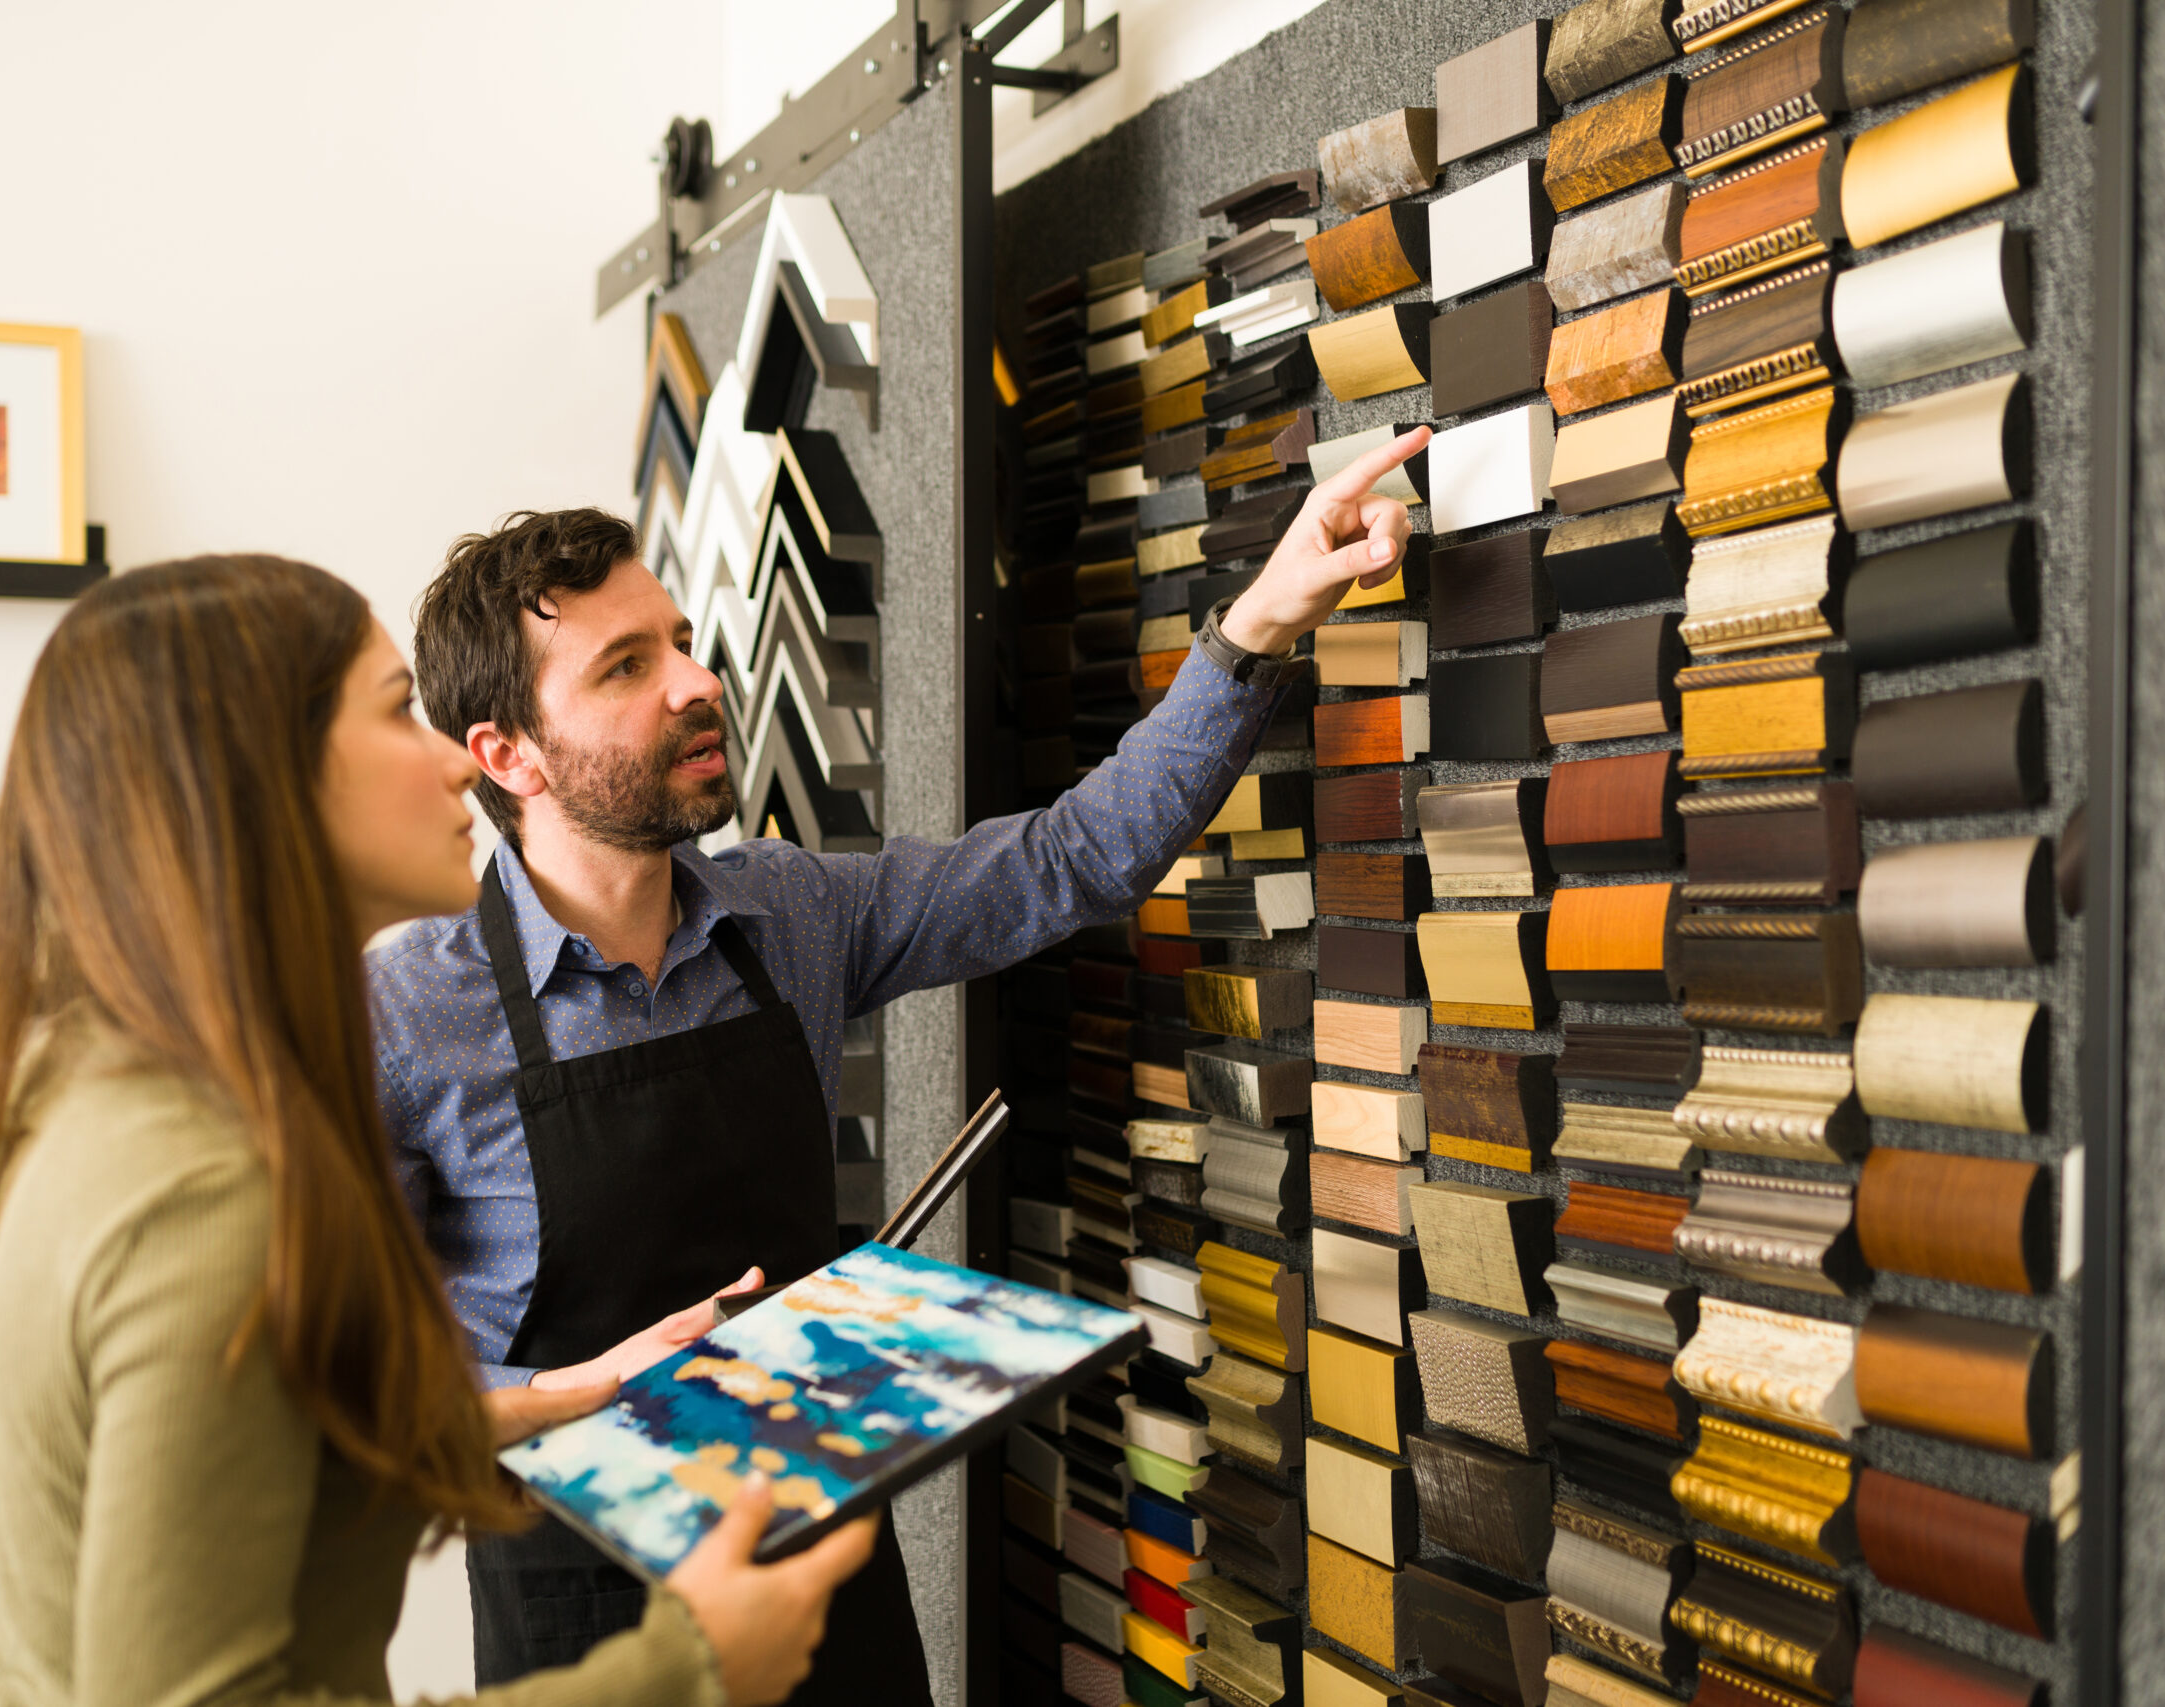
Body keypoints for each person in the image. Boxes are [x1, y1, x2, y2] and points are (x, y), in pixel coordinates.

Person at [367, 426, 1431, 1696]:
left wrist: (1260, 618)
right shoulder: (402, 1015)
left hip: (824, 1584)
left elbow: (1069, 861)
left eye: (686, 644)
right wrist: (575, 1393)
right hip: (586, 1630)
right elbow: (356, 1386)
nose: (698, 683)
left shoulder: (788, 913)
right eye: (627, 667)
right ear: (507, 756)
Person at [0, 554, 879, 1707]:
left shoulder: (119, 1095)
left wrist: (562, 1397)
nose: (448, 765)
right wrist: (687, 1670)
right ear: (253, 781)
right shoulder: (207, 1191)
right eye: (391, 715)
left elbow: (268, 1447)